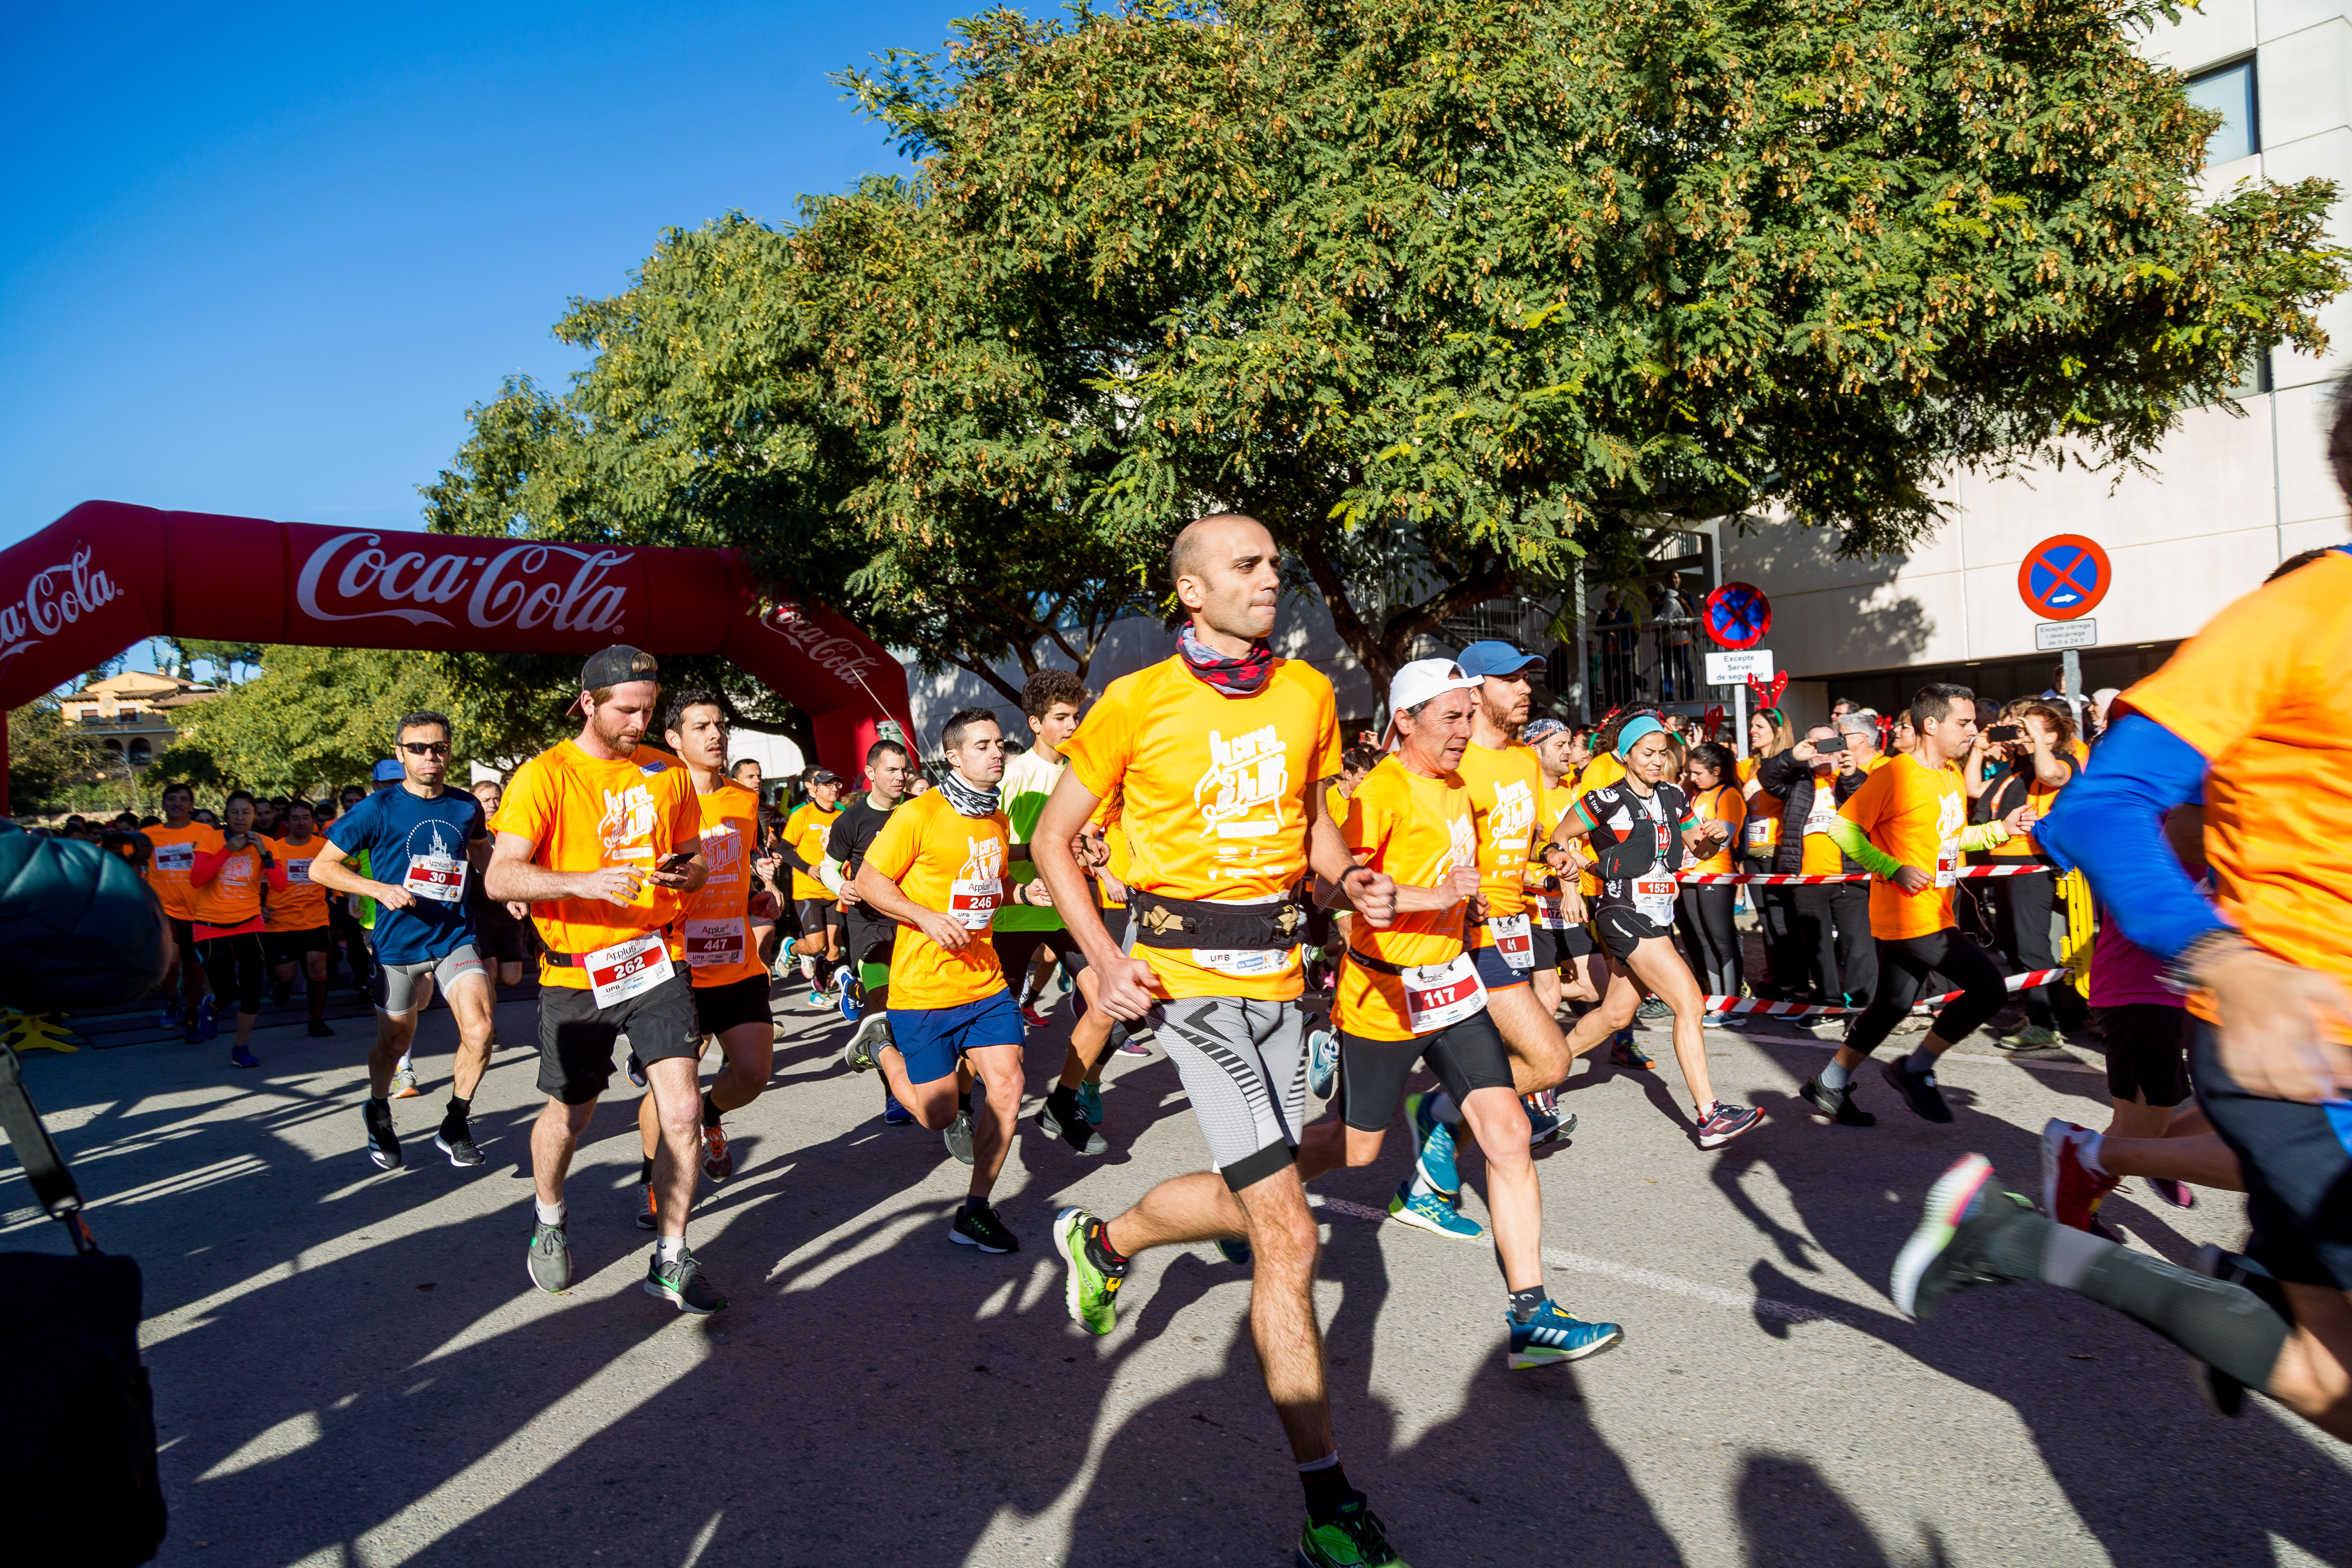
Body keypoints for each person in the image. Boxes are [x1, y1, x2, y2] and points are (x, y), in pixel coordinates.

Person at [1032, 513, 1409, 1568]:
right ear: (1192, 593)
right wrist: (1106, 963)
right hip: (1188, 985)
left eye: (1274, 566)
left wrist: (1347, 882)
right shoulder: (1133, 702)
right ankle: (1328, 1506)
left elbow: (1312, 824)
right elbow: (1052, 839)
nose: (1270, 580)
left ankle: (1103, 1242)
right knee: (1287, 1232)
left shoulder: (1306, 693)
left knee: (1263, 1185)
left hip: (1283, 981)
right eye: (1247, 567)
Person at [1300, 657, 1623, 1365]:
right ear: (1404, 722)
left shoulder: (1456, 789)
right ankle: (1263, 1194)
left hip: (1454, 987)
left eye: (1467, 716)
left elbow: (1468, 880)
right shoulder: (1378, 794)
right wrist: (1429, 897)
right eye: (1451, 717)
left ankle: (1532, 1315)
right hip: (1385, 999)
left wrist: (1492, 894)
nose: (1464, 729)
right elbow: (1332, 901)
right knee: (1351, 1147)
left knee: (1507, 1131)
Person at [484, 646, 718, 1313]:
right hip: (576, 973)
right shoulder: (546, 776)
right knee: (572, 1113)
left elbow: (696, 861)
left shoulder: (668, 772)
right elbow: (501, 876)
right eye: (626, 709)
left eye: (648, 709)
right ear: (588, 702)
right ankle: (550, 1215)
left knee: (681, 1108)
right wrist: (580, 882)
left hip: (655, 961)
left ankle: (672, 1256)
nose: (639, 721)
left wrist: (687, 874)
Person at [840, 707, 1042, 1251]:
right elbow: (868, 881)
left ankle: (975, 1210)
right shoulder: (918, 815)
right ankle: (881, 1046)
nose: (996, 752)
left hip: (984, 983)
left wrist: (1023, 893)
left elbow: (989, 887)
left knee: (1009, 1084)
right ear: (953, 756)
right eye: (982, 746)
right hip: (923, 988)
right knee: (938, 1114)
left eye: (1000, 744)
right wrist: (924, 916)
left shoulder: (996, 820)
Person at [1795, 685, 2032, 1127]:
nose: (1973, 730)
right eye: (1963, 723)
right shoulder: (1894, 774)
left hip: (1936, 909)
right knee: (1989, 990)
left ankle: (1830, 1082)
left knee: (1892, 1005)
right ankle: (1916, 1068)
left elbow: (1953, 840)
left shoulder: (1951, 775)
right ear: (1931, 725)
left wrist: (2002, 828)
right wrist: (1892, 868)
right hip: (1909, 913)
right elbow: (1844, 830)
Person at [1548, 719, 1761, 1147]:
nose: (1658, 761)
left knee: (1614, 1016)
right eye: (1647, 752)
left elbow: (1696, 849)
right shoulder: (1605, 799)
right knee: (1690, 1002)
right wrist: (1570, 882)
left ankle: (1542, 1072)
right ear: (1625, 755)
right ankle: (1710, 1115)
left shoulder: (1674, 796)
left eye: (1663, 753)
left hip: (1660, 914)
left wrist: (1714, 839)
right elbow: (1559, 838)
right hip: (1623, 912)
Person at [310, 713, 497, 1171]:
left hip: (454, 935)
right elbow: (322, 868)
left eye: (439, 747)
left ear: (449, 751)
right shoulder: (378, 808)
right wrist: (378, 890)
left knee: (481, 1028)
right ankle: (377, 1107)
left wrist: (501, 884)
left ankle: (456, 1121)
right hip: (397, 945)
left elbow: (477, 848)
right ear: (400, 753)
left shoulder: (464, 806)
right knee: (396, 1041)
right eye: (418, 748)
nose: (430, 756)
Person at [629, 691, 776, 1227]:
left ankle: (713, 1116)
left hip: (735, 959)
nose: (715, 735)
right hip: (675, 963)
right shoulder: (656, 797)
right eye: (700, 727)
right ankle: (653, 1178)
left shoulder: (743, 799)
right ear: (674, 739)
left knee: (755, 1072)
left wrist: (756, 899)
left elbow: (738, 871)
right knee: (672, 1086)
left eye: (719, 725)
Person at [1448, 640, 1574, 1145]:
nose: (1525, 689)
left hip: (1513, 927)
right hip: (1461, 936)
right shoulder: (1453, 764)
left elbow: (1523, 839)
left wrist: (1549, 856)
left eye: (1526, 678)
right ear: (1475, 694)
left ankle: (1443, 1124)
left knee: (1537, 1058)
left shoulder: (1524, 761)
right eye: (1510, 680)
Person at [1976, 700, 2089, 1049]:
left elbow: (2050, 776)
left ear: (2052, 736)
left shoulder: (2063, 762)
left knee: (2032, 945)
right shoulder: (2015, 767)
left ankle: (2047, 1025)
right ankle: (2035, 1013)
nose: (2021, 733)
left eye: (2029, 728)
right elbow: (1974, 793)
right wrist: (1980, 752)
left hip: (2034, 863)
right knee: (2012, 945)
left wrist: (2039, 740)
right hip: (2006, 862)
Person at [826, 739, 920, 1129]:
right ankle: (894, 1093)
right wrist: (840, 887)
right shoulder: (851, 821)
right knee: (883, 1006)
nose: (901, 777)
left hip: (913, 919)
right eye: (892, 770)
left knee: (918, 1005)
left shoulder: (917, 812)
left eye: (904, 770)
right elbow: (829, 867)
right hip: (869, 924)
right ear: (871, 774)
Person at [996, 669, 1092, 1036]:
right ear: (1035, 723)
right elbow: (988, 850)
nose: (1073, 726)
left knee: (1103, 1001)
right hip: (1016, 914)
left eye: (1076, 717)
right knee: (1000, 1020)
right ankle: (963, 1092)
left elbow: (1081, 840)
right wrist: (1040, 854)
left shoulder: (1081, 774)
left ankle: (1079, 1089)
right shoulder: (1014, 776)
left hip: (1066, 910)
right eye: (1061, 718)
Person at [1759, 724, 1877, 1009]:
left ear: (1841, 747)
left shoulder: (1856, 777)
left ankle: (1862, 1006)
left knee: (1858, 946)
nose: (1823, 752)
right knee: (1818, 947)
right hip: (1807, 880)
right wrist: (1793, 756)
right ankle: (1828, 1002)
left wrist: (1851, 776)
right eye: (1816, 745)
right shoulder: (1798, 780)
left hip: (1850, 876)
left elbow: (1872, 804)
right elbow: (1767, 778)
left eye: (1830, 745)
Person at [187, 790, 281, 1069]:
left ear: (254, 817)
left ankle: (241, 1047)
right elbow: (197, 879)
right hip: (210, 925)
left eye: (247, 813)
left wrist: (263, 854)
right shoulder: (211, 839)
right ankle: (214, 1005)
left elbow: (279, 886)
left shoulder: (267, 843)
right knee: (227, 992)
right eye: (235, 813)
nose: (241, 818)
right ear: (226, 816)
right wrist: (228, 850)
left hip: (249, 922)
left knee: (252, 988)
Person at [1527, 716, 1603, 1011]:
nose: (1569, 751)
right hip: (1533, 909)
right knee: (1549, 999)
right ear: (1536, 751)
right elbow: (1517, 856)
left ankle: (1520, 998)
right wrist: (1547, 880)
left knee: (1596, 987)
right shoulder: (1526, 796)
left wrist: (1596, 870)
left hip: (1568, 904)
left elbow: (1573, 849)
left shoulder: (1571, 794)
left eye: (1569, 744)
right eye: (1559, 745)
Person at [1676, 741, 1746, 1015]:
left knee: (1722, 941)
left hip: (1716, 875)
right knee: (1704, 940)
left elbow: (1724, 839)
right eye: (1691, 773)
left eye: (1698, 773)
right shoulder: (1694, 795)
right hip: (1691, 875)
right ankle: (1717, 1000)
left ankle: (1732, 1005)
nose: (1692, 778)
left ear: (1717, 771)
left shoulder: (1728, 795)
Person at [143, 780, 215, 1041]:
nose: (177, 803)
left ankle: (192, 1011)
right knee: (170, 962)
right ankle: (171, 1000)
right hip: (165, 911)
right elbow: (131, 864)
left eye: (183, 799)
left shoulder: (206, 832)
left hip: (198, 912)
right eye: (172, 799)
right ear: (163, 804)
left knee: (194, 969)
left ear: (191, 805)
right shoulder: (149, 835)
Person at [1739, 707, 1800, 998]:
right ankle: (1776, 976)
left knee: (1781, 920)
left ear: (1777, 731)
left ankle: (1791, 982)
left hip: (1777, 851)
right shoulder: (1746, 766)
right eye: (1752, 725)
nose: (1753, 731)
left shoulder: (1788, 765)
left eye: (1759, 726)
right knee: (1765, 920)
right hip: (1752, 853)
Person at [262, 800, 336, 1038]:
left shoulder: (324, 846)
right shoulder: (275, 848)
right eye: (296, 818)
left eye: (306, 817)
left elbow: (341, 872)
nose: (301, 822)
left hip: (315, 918)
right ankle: (282, 986)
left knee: (317, 967)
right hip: (281, 920)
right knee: (287, 975)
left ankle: (316, 1019)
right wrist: (257, 907)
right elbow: (258, 881)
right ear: (287, 822)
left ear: (314, 821)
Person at [466, 777, 530, 1040]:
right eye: (486, 799)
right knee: (490, 970)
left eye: (496, 798)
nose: (493, 803)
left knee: (513, 976)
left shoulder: (512, 829)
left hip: (508, 913)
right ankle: (488, 1030)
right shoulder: (470, 830)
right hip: (478, 912)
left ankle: (474, 994)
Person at [779, 768, 847, 1006]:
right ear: (815, 789)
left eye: (837, 784)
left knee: (834, 949)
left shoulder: (842, 814)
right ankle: (792, 949)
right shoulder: (803, 815)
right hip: (809, 892)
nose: (835, 789)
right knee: (817, 945)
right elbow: (784, 849)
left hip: (835, 890)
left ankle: (819, 993)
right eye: (829, 785)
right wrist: (807, 868)